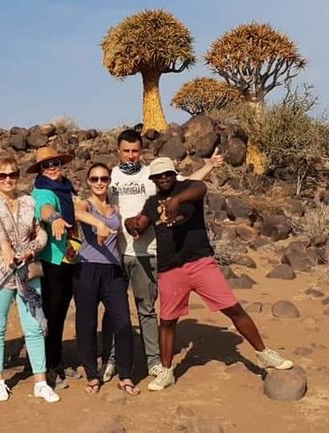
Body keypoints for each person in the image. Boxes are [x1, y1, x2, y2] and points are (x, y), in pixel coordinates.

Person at [124, 157, 294, 391]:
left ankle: (263, 353)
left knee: (233, 308)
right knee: (167, 321)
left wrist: (176, 200)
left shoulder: (188, 189)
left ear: (174, 174)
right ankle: (167, 371)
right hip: (170, 268)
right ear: (153, 179)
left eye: (167, 174)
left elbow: (201, 187)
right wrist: (129, 223)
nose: (163, 178)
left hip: (200, 263)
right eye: (158, 176)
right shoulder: (152, 203)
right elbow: (139, 225)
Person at [104, 129, 223, 381]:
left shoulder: (153, 174)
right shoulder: (111, 177)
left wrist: (210, 166)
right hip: (116, 251)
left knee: (146, 309)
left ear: (141, 151)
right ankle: (111, 359)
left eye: (135, 151)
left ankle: (154, 361)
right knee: (114, 310)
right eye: (126, 151)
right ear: (118, 151)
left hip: (147, 253)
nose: (130, 156)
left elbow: (187, 182)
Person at [0, 154, 60, 403]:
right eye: (2, 175)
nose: (8, 179)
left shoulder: (27, 202)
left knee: (34, 326)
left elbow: (40, 233)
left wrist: (30, 250)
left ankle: (40, 381)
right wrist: (5, 248)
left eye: (13, 174)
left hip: (26, 270)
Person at [72, 163, 139, 396]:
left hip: (113, 271)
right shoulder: (86, 204)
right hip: (87, 269)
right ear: (88, 181)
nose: (99, 183)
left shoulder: (116, 209)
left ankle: (125, 374)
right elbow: (77, 213)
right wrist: (98, 223)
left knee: (122, 322)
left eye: (103, 179)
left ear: (109, 181)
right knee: (87, 323)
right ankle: (92, 375)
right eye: (94, 179)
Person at [28, 147, 82, 389]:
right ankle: (47, 367)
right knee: (50, 314)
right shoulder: (42, 191)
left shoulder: (67, 188)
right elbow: (44, 209)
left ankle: (57, 361)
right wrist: (56, 219)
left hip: (69, 258)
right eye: (46, 165)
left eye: (55, 163)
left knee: (59, 314)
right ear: (39, 170)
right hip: (52, 262)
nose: (51, 168)